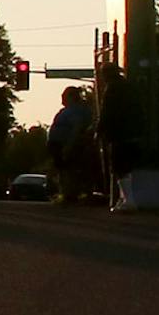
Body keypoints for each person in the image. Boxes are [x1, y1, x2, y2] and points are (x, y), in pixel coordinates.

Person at [96, 63, 144, 212]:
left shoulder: (112, 89)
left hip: (119, 133)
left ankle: (128, 200)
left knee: (119, 166)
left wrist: (99, 130)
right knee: (127, 166)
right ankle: (125, 198)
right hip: (134, 131)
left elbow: (106, 113)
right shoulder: (130, 87)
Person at [47, 86, 91, 204]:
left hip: (66, 144)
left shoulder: (76, 111)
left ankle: (69, 194)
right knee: (62, 169)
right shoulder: (69, 110)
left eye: (64, 95)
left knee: (67, 169)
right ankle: (66, 193)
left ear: (71, 97)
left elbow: (76, 128)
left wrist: (69, 145)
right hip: (59, 144)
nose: (62, 98)